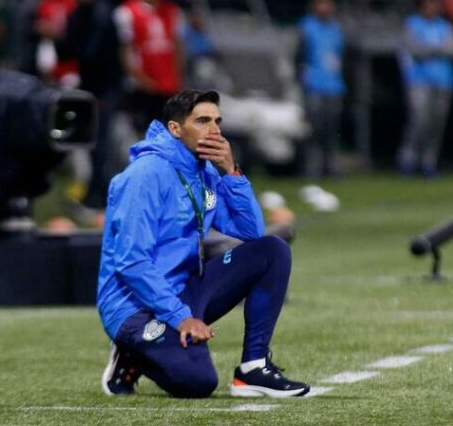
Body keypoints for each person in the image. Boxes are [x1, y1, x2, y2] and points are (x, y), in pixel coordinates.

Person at [98, 89, 312, 398]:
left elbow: (251, 231)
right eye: (202, 121)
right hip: (136, 305)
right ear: (175, 129)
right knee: (198, 382)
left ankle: (253, 368)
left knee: (272, 250)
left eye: (217, 121)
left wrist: (232, 172)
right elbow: (132, 263)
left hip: (183, 292)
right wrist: (180, 317)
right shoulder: (144, 175)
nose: (214, 131)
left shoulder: (205, 171)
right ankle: (132, 351)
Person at [57, 0, 120, 220]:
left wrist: (66, 41)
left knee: (101, 145)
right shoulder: (76, 14)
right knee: (91, 143)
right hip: (89, 87)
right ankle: (93, 193)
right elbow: (66, 52)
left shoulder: (103, 14)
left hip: (105, 88)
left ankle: (100, 196)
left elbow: (92, 53)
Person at [114, 0, 184, 134]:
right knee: (142, 131)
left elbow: (178, 45)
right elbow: (126, 50)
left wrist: (177, 74)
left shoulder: (172, 11)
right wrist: (141, 79)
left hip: (168, 84)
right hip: (143, 85)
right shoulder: (126, 12)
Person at [397, 0, 453, 178]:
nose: (432, 9)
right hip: (419, 80)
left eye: (435, 5)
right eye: (428, 5)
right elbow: (416, 50)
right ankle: (408, 159)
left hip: (444, 80)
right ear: (421, 6)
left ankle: (428, 161)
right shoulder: (412, 24)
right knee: (419, 119)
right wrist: (437, 49)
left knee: (436, 123)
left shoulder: (444, 26)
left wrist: (431, 49)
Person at [295, 0, 345, 178]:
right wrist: (301, 80)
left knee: (331, 130)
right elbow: (299, 56)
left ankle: (329, 166)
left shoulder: (336, 29)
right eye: (321, 4)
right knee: (313, 130)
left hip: (333, 85)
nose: (325, 8)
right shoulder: (307, 27)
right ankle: (311, 168)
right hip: (314, 85)